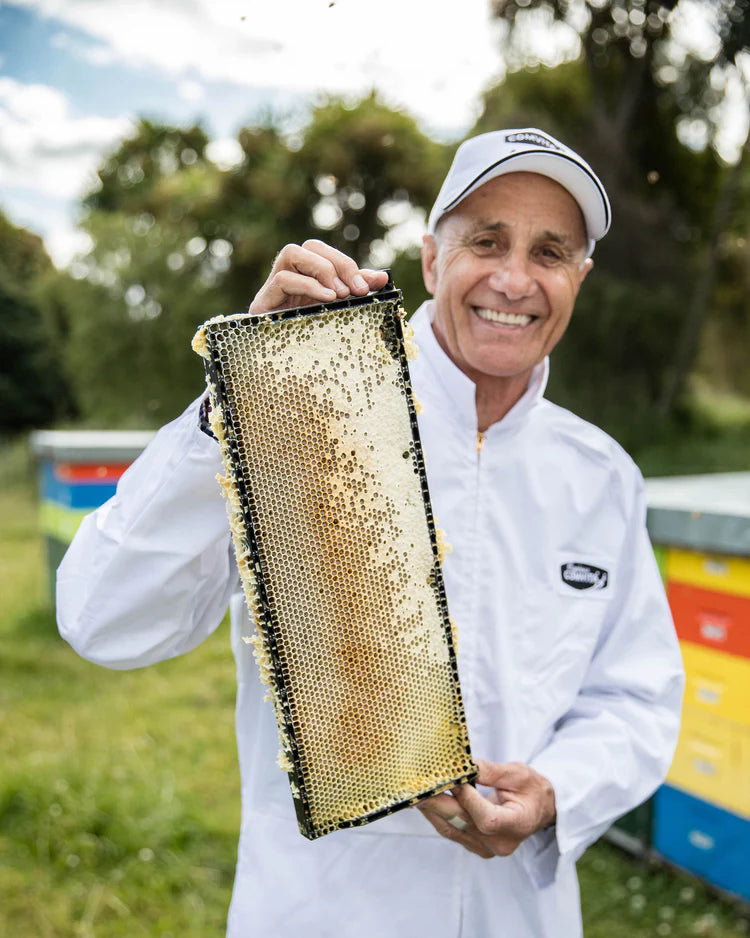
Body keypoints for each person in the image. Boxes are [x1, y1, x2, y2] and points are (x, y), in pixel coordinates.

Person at [57, 128, 684, 938]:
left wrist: (558, 790)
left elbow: (634, 696)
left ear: (579, 278)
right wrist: (241, 398)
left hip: (519, 917)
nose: (513, 279)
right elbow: (101, 619)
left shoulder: (602, 475)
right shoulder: (304, 410)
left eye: (550, 252)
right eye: (486, 241)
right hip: (323, 911)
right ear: (431, 260)